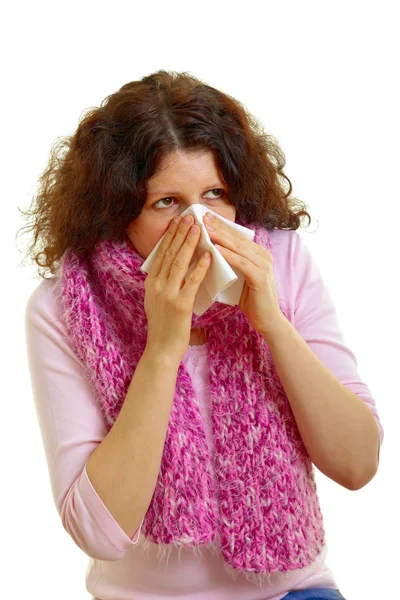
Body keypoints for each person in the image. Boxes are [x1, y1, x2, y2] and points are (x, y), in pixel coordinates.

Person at [21, 70, 383, 600]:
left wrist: (273, 325)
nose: (198, 223)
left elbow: (357, 465)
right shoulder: (67, 306)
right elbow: (97, 533)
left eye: (214, 193)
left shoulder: (280, 260)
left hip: (294, 592)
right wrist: (163, 349)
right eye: (166, 202)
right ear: (118, 213)